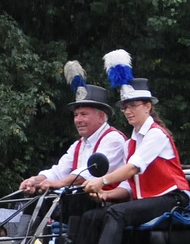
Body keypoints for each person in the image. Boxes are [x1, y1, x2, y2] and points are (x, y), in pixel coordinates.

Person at [64, 51, 190, 244]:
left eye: (133, 106)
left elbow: (132, 168)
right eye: (125, 107)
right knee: (92, 216)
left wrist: (101, 181)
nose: (128, 111)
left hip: (172, 198)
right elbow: (130, 186)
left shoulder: (156, 134)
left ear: (148, 106)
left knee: (117, 213)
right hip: (148, 200)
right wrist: (106, 195)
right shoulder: (131, 141)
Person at [18, 67, 128, 196]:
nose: (78, 120)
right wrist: (34, 181)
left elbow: (88, 174)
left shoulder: (113, 139)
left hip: (108, 203)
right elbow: (58, 172)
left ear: (101, 117)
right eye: (76, 115)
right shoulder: (78, 145)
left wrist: (59, 183)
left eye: (83, 114)